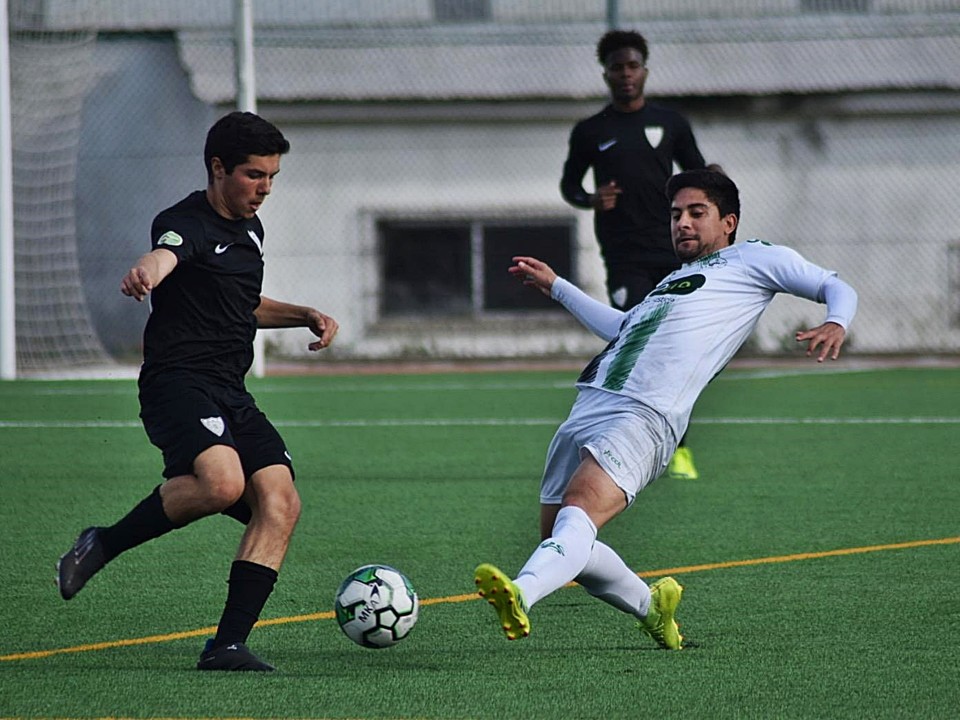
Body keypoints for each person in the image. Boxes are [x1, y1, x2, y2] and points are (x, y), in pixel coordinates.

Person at [475, 169, 857, 649]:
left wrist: (836, 321)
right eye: (676, 214)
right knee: (565, 537)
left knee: (580, 511)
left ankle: (521, 593)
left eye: (698, 213)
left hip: (647, 413)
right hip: (592, 401)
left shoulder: (756, 258)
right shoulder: (675, 280)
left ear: (729, 222)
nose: (683, 223)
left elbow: (836, 285)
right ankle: (652, 607)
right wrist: (557, 287)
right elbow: (622, 327)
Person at [55, 111, 339, 672]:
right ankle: (103, 543)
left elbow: (243, 304)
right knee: (223, 482)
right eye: (254, 175)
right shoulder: (183, 223)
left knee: (281, 503)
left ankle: (227, 645)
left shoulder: (251, 231)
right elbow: (165, 255)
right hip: (177, 382)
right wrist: (146, 272)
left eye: (273, 176)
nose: (265, 188)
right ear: (217, 167)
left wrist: (303, 312)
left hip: (229, 388)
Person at [560, 29, 721, 480]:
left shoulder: (671, 123)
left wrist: (713, 179)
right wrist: (591, 198)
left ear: (644, 70)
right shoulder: (591, 131)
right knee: (634, 343)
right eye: (617, 67)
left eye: (633, 66)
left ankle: (677, 447)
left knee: (675, 349)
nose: (625, 74)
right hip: (624, 251)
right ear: (606, 73)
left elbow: (696, 169)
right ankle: (620, 440)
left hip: (673, 249)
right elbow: (570, 185)